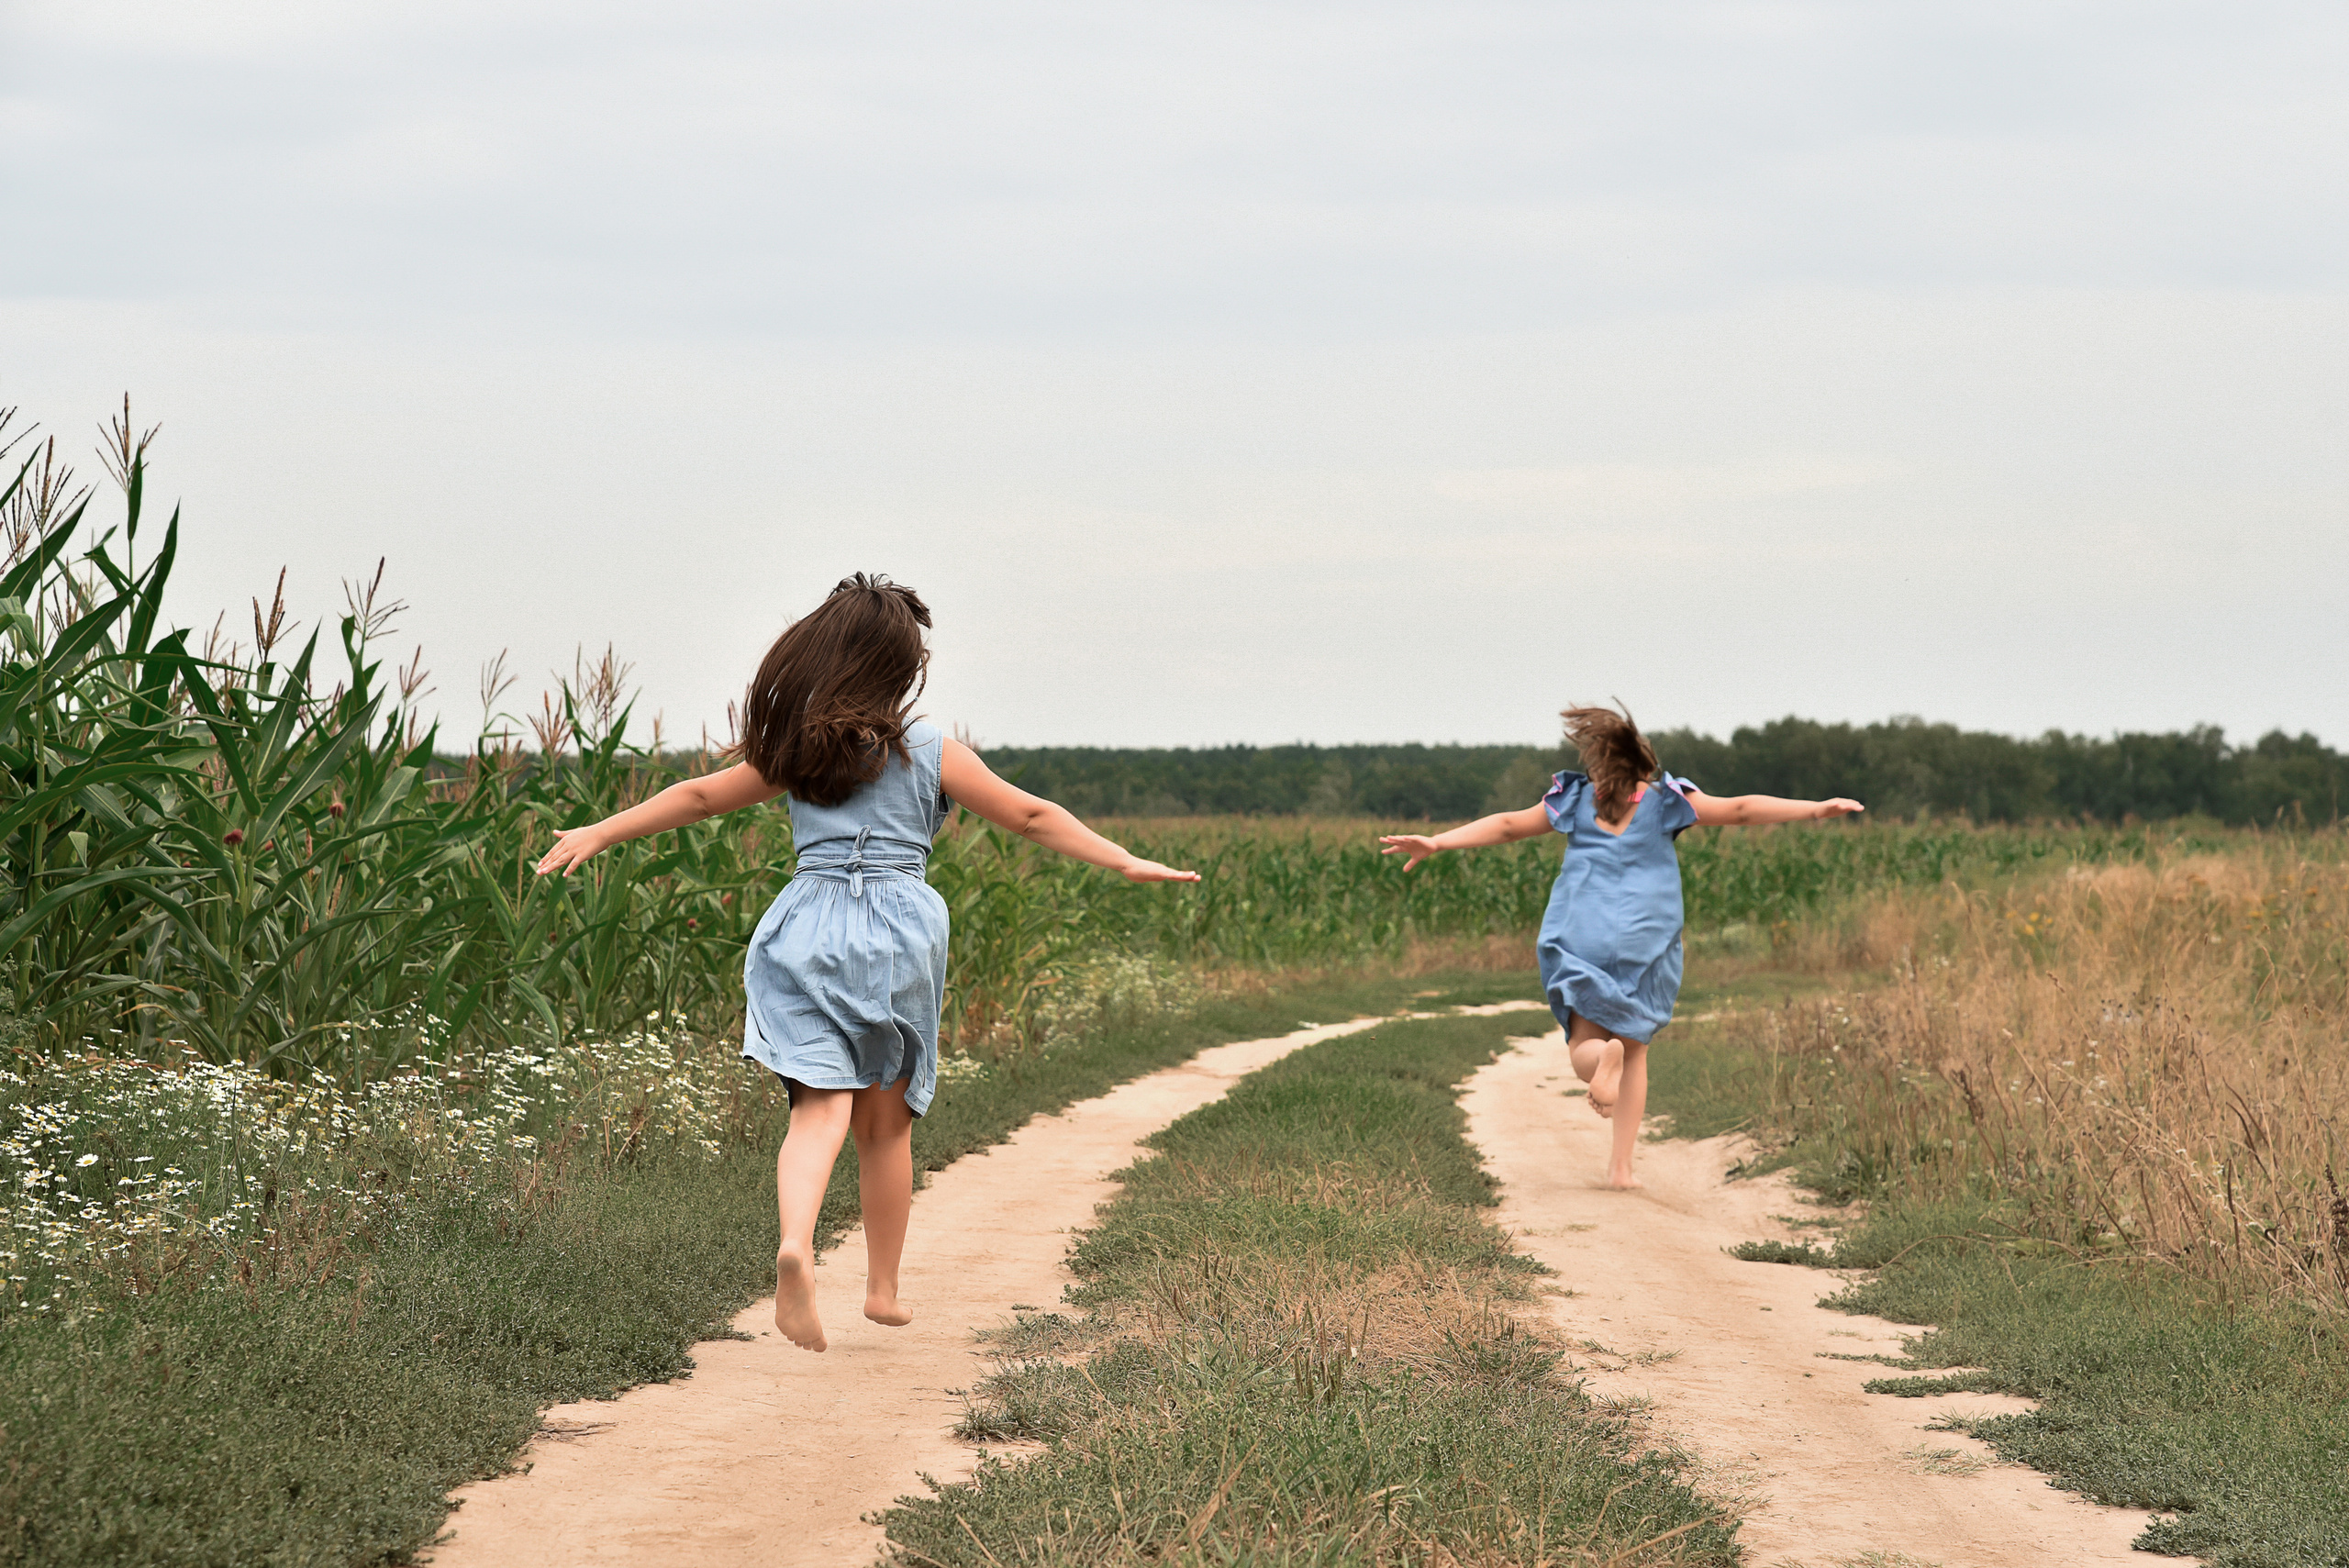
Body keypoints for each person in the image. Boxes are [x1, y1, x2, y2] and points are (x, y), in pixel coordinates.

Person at [535, 573, 1197, 1350]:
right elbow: (1030, 813)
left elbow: (699, 797)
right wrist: (1122, 860)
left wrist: (600, 832)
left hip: (806, 927)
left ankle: (794, 1243)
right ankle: (882, 1289)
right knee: (885, 1130)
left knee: (818, 1108)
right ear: (899, 665)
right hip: (897, 936)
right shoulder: (931, 751)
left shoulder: (795, 749)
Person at [1379, 705, 1861, 1190]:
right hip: (1645, 941)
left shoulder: (1574, 800)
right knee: (1635, 1050)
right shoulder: (1665, 801)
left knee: (1582, 1045)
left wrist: (1437, 842)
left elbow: (1506, 825)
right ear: (1644, 765)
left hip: (1579, 936)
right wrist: (1815, 808)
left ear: (1595, 765)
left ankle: (1599, 1058)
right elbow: (1739, 808)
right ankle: (1621, 1169)